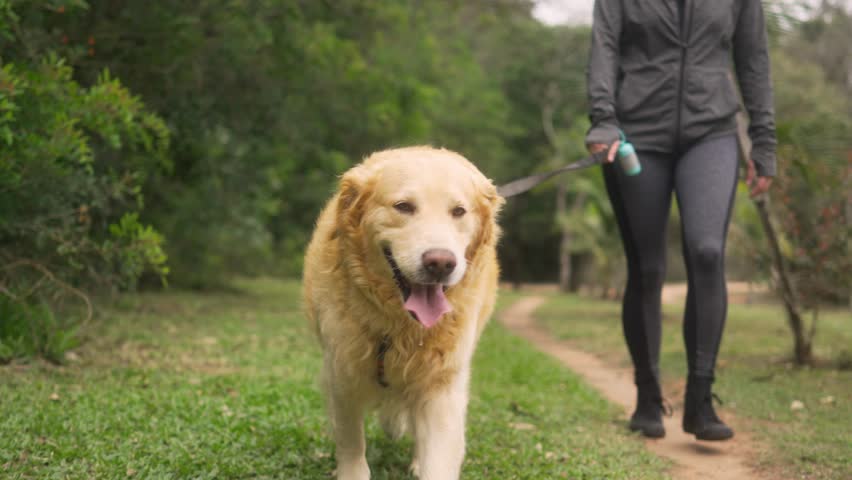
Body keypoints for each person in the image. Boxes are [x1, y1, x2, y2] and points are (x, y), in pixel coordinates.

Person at [585, 0, 776, 441]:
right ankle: (647, 396)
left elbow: (754, 58)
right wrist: (603, 119)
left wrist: (764, 141)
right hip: (636, 135)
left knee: (707, 252)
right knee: (648, 267)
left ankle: (700, 399)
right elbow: (604, 47)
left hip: (711, 130)